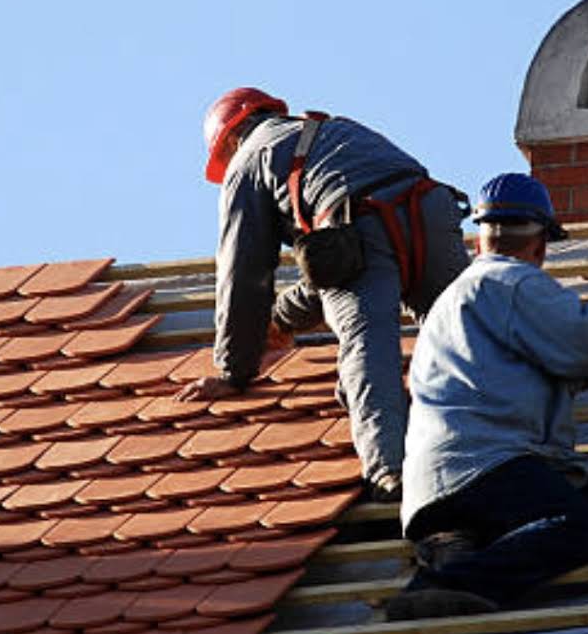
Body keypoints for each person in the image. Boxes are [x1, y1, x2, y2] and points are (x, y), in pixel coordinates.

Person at [388, 172, 588, 620]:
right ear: (540, 245)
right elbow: (584, 340)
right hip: (485, 466)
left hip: (448, 478)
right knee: (582, 528)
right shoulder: (511, 283)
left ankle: (462, 543)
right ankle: (440, 585)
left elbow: (556, 366)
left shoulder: (462, 298)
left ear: (480, 238)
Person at [175, 87, 470, 501]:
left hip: (359, 230)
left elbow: (244, 271)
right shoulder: (332, 129)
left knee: (367, 350)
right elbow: (335, 265)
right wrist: (280, 320)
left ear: (228, 142)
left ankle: (393, 474)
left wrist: (235, 370)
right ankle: (500, 432)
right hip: (431, 211)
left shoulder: (248, 161)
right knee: (467, 330)